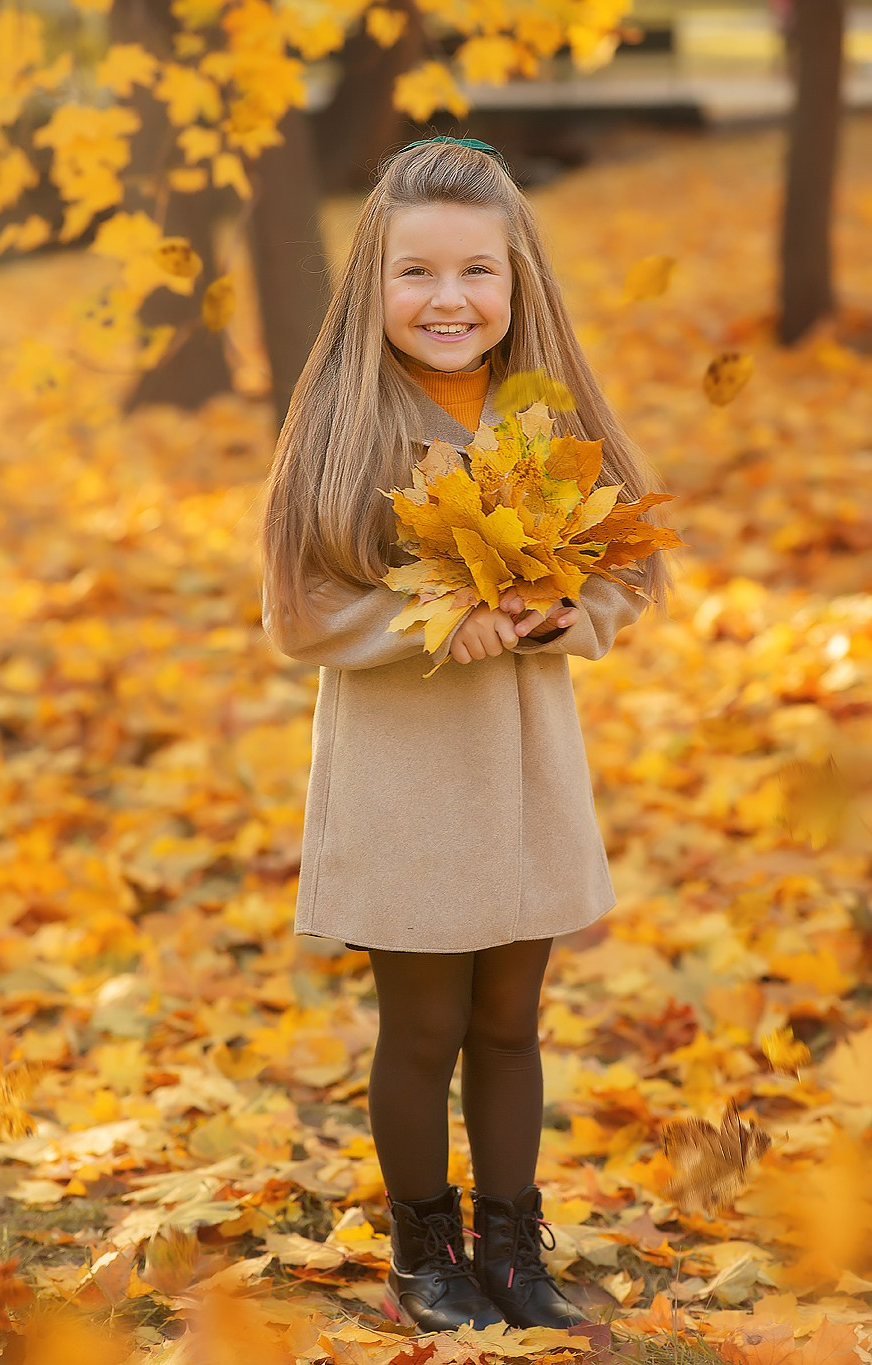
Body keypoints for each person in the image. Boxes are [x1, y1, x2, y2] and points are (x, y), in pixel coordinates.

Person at [260, 135, 675, 1336]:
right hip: (405, 782)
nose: (448, 300)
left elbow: (627, 574)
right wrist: (436, 618)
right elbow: (298, 613)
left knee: (508, 1023)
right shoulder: (345, 420)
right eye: (417, 273)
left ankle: (509, 1244)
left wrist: (562, 617)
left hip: (522, 772)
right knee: (425, 1027)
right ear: (373, 283)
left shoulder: (547, 417)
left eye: (476, 271)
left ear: (516, 279)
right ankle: (423, 1249)